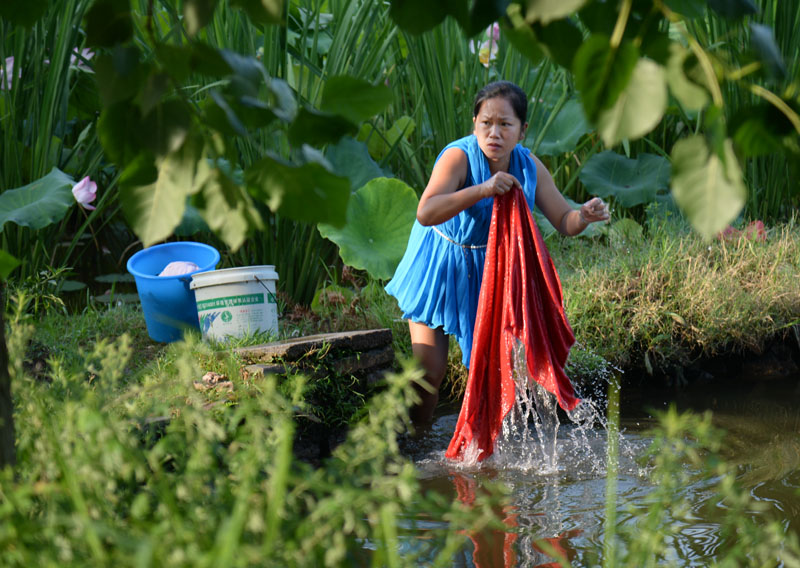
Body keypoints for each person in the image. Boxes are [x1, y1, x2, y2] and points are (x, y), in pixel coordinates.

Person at [385, 81, 609, 426]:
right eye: (486, 123)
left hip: (487, 272)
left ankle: (485, 451)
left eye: (505, 124)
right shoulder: (458, 157)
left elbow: (564, 219)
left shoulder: (527, 165)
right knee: (429, 372)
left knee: (495, 372)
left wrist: (585, 215)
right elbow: (426, 212)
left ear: (522, 130)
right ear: (474, 122)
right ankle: (416, 444)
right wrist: (483, 189)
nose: (494, 133)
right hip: (440, 264)